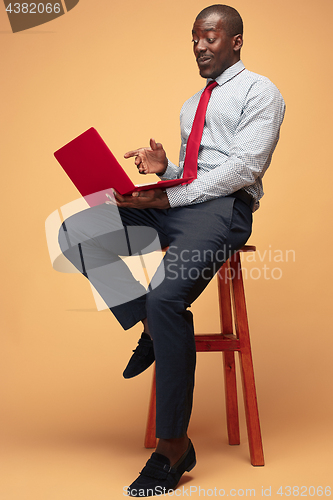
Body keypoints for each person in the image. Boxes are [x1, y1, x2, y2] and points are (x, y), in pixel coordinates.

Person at [58, 4, 285, 497]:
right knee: (75, 230)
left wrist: (171, 192)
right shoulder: (190, 104)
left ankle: (174, 446)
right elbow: (198, 171)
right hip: (180, 202)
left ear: (236, 41)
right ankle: (151, 328)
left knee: (167, 300)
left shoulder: (261, 92)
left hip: (223, 212)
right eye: (195, 39)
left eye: (209, 38)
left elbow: (243, 169)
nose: (200, 47)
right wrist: (165, 168)